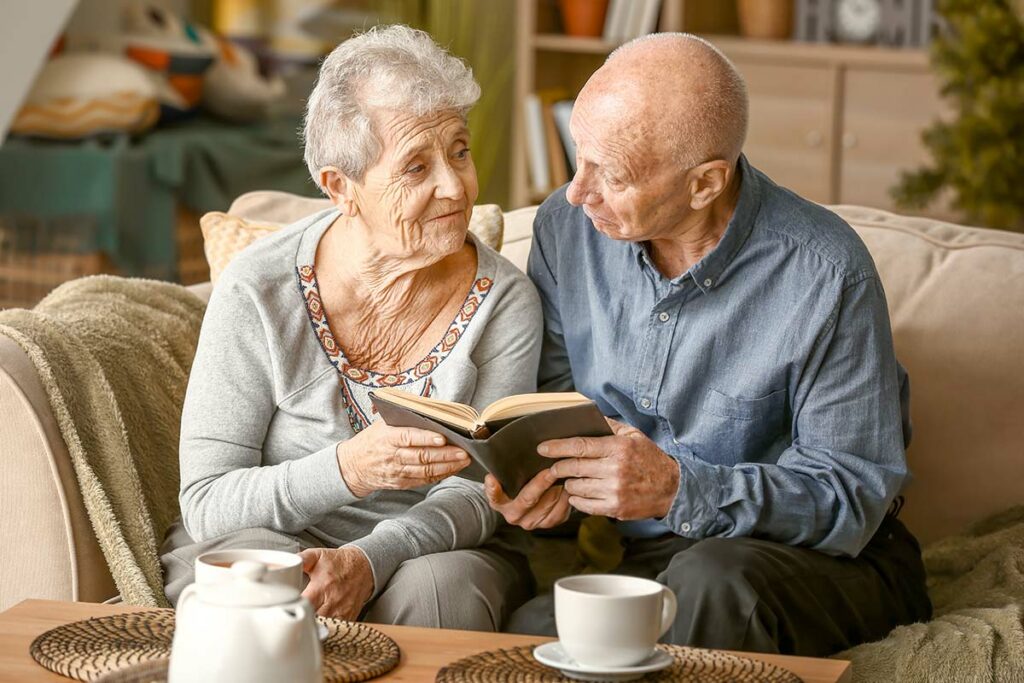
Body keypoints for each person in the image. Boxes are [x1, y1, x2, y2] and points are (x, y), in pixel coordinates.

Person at [488, 33, 932, 656]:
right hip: (657, 557)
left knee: (714, 583)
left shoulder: (827, 272)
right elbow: (556, 406)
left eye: (610, 175)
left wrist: (674, 488)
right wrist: (547, 485)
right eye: (576, 159)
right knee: (529, 635)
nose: (576, 193)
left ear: (705, 183)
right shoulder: (567, 232)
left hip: (823, 559)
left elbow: (850, 494)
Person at [160, 25, 541, 631]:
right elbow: (208, 501)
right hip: (269, 533)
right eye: (417, 165)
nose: (455, 185)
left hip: (431, 547)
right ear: (341, 187)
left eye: (460, 151)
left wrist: (369, 558)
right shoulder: (259, 289)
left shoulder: (504, 300)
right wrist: (350, 469)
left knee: (443, 588)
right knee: (265, 590)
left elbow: (479, 492)